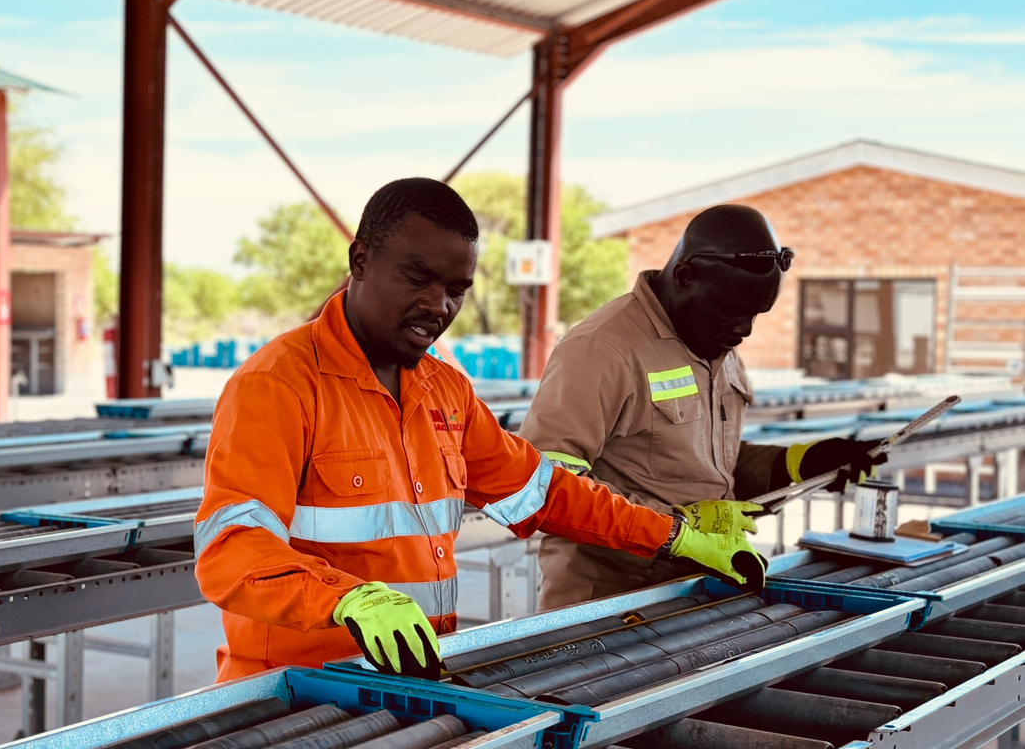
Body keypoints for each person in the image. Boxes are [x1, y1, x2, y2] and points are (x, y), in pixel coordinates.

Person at [195, 179, 766, 682]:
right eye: (418, 278)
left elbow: (545, 493)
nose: (438, 305)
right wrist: (346, 599)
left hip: (409, 681)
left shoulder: (445, 391)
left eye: (457, 289)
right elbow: (231, 550)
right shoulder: (279, 384)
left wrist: (672, 536)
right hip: (293, 694)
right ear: (360, 260)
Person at [523, 204, 887, 609]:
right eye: (732, 311)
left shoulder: (713, 340)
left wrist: (797, 465)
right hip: (611, 602)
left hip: (700, 588)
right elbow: (548, 487)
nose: (744, 329)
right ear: (684, 277)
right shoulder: (603, 348)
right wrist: (681, 527)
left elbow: (701, 464)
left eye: (754, 315)